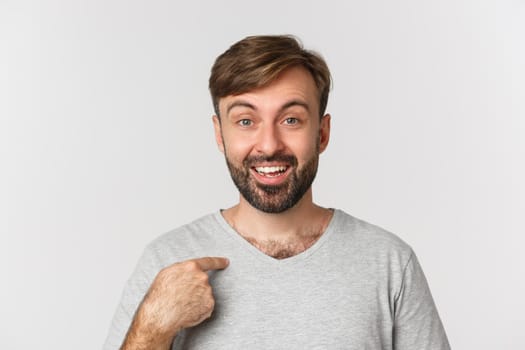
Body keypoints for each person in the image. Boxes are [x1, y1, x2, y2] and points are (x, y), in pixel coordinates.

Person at [104, 35, 450, 350]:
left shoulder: (388, 263)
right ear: (220, 135)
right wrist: (152, 329)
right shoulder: (167, 259)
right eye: (245, 121)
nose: (269, 145)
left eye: (291, 120)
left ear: (322, 133)